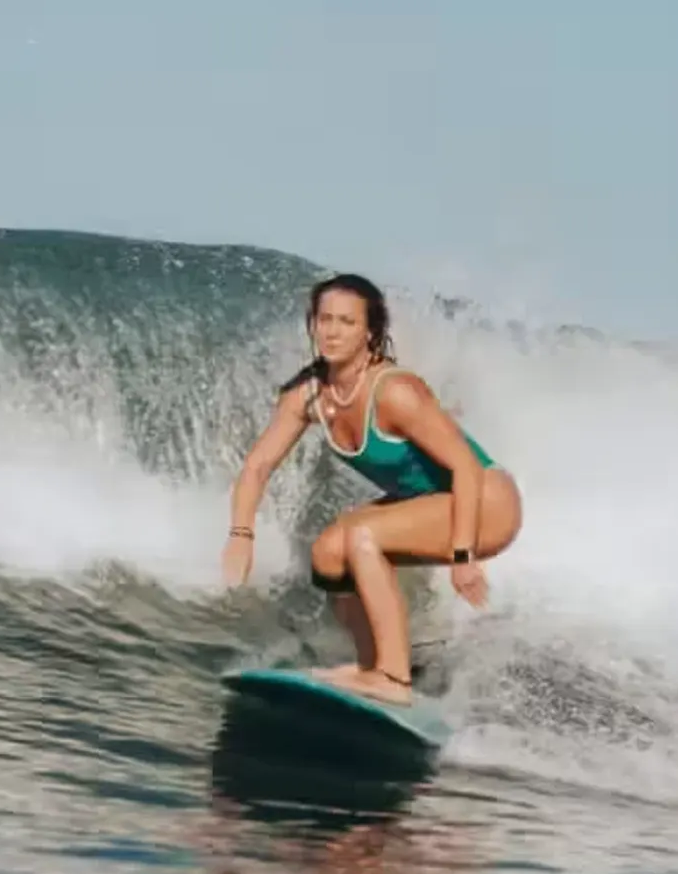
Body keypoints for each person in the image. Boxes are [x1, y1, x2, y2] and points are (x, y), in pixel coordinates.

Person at [220, 273, 522, 706]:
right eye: (324, 319)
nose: (332, 331)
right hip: (433, 502)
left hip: (488, 504)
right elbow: (258, 466)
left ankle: (393, 679)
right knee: (328, 552)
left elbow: (466, 469)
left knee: (363, 536)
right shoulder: (308, 396)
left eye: (346, 322)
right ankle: (372, 665)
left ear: (370, 333)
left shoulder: (395, 392)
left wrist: (463, 558)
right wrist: (240, 534)